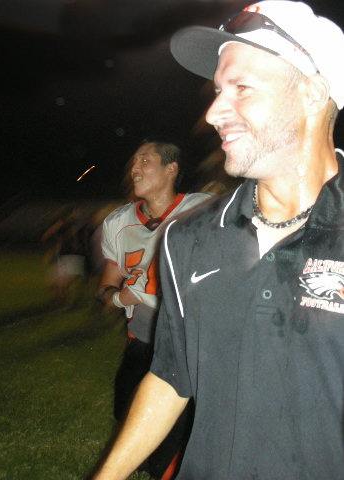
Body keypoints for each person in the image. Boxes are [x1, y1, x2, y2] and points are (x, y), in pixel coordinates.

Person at [92, 1, 344, 479]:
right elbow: (171, 375)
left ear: (313, 94)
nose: (213, 112)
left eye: (241, 88)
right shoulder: (187, 239)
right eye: (216, 91)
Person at [96, 140, 210, 479]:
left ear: (171, 169)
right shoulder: (118, 222)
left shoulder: (203, 209)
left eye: (145, 160)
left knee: (173, 442)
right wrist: (118, 299)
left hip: (187, 343)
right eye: (133, 161)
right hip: (141, 341)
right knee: (128, 418)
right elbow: (105, 288)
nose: (135, 168)